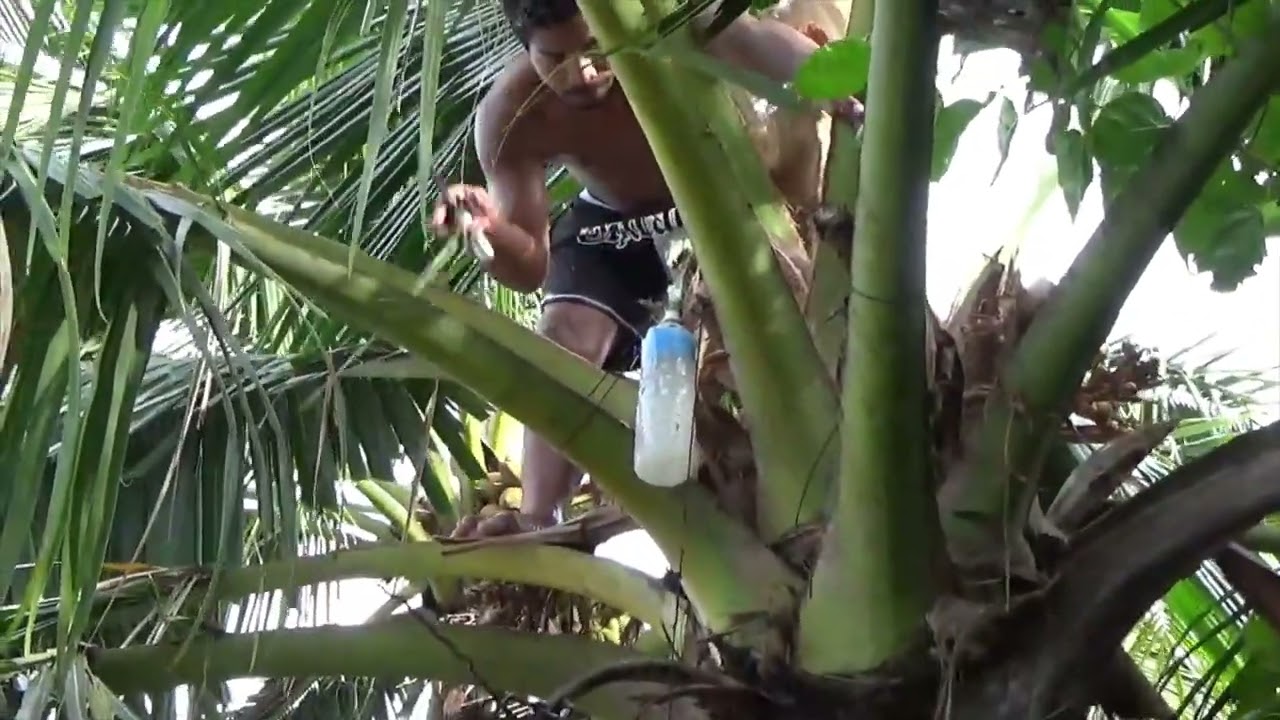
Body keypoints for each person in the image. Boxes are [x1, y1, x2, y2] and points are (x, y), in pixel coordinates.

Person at [432, 0, 863, 539]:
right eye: (556, 57)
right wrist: (491, 229)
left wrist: (842, 84)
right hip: (614, 222)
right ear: (525, 46)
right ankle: (540, 518)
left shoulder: (672, 20)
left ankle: (833, 466)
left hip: (721, 208)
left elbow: (759, 44)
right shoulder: (513, 114)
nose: (583, 73)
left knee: (778, 330)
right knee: (563, 336)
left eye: (594, 47)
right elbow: (530, 268)